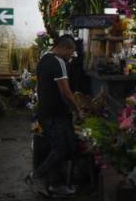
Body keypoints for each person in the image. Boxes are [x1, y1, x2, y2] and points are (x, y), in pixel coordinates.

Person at [27, 34, 82, 197]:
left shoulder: (44, 58)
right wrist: (77, 109)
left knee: (52, 148)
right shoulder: (59, 62)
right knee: (61, 148)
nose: (71, 57)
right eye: (70, 53)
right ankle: (36, 176)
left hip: (42, 113)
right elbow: (65, 92)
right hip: (54, 115)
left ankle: (54, 185)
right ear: (65, 48)